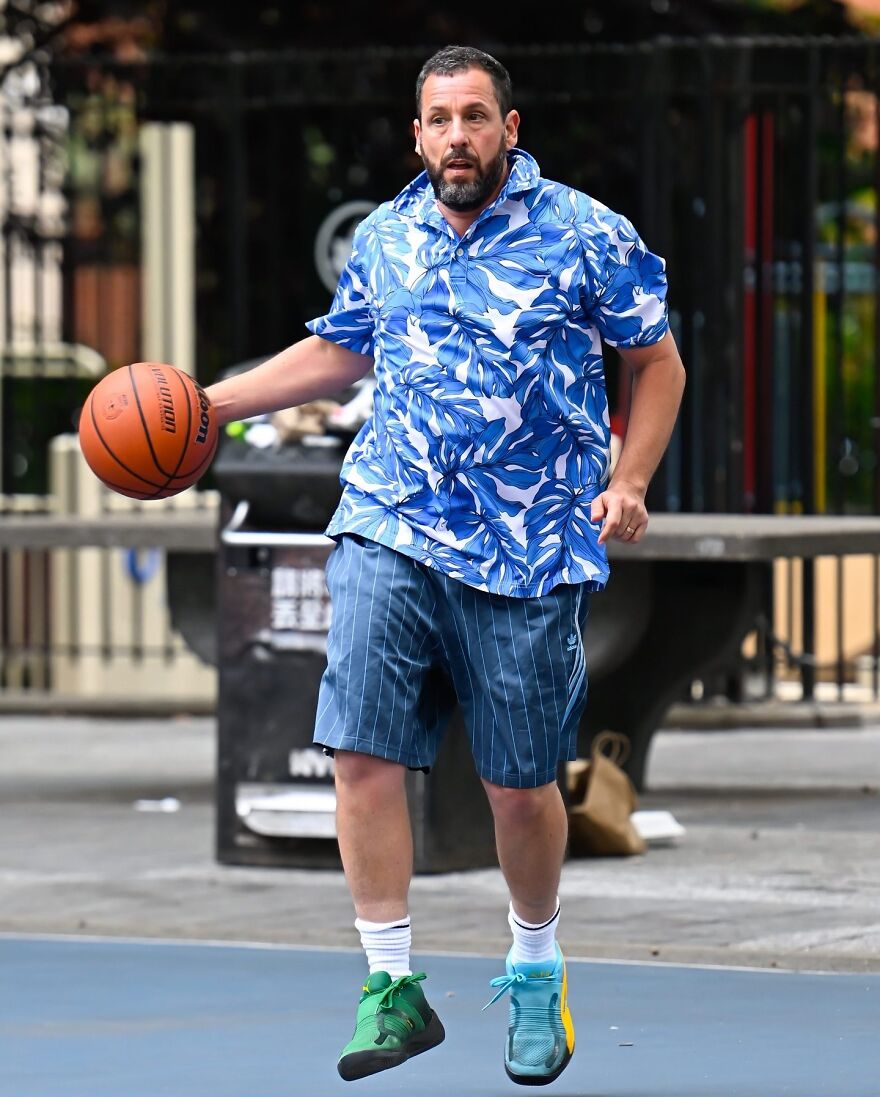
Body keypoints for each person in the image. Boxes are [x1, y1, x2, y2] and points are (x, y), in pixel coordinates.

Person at [206, 44, 685, 1086]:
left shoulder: (585, 233)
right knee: (360, 754)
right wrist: (213, 403)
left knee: (517, 787)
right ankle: (391, 984)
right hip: (390, 519)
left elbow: (655, 362)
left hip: (526, 546)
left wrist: (631, 477)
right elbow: (342, 349)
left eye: (476, 116)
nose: (457, 135)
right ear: (416, 133)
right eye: (439, 118)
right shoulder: (387, 235)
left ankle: (532, 963)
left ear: (509, 129)